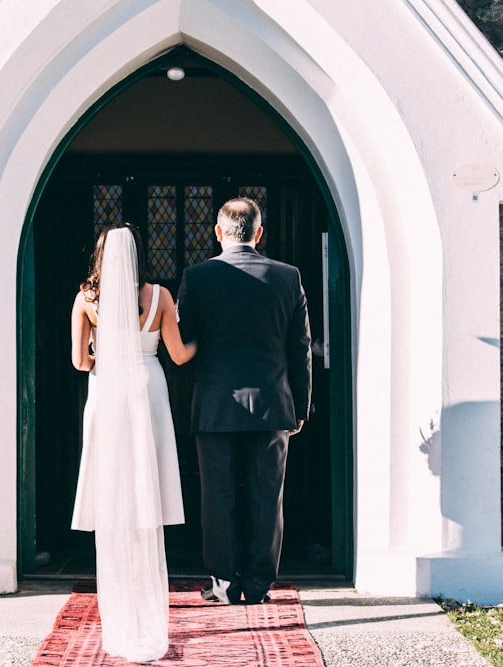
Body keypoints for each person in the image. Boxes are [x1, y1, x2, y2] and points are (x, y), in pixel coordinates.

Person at [69, 222, 196, 663]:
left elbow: (79, 360)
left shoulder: (86, 300)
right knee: (147, 478)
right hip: (147, 385)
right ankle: (148, 599)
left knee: (115, 483)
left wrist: (105, 351)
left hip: (108, 390)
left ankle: (121, 603)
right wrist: (203, 341)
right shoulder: (160, 297)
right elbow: (179, 355)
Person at [176, 197, 313, 606]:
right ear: (258, 233)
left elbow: (184, 344)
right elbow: (300, 348)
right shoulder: (287, 277)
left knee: (218, 496)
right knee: (267, 495)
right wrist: (300, 406)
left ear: (218, 233)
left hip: (216, 404)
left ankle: (222, 583)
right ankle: (257, 585)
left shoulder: (198, 278)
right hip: (272, 404)